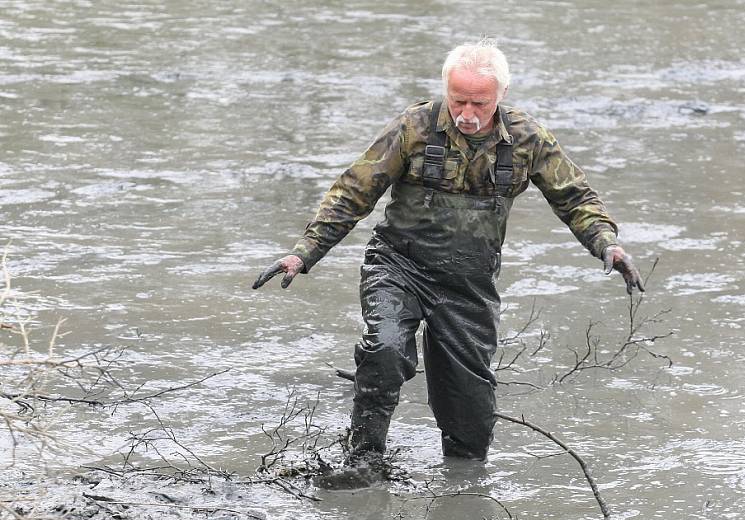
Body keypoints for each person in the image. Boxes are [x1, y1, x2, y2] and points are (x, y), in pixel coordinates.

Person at [253, 38, 644, 463]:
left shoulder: (528, 140)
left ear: (502, 96)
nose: (468, 115)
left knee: (470, 421)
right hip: (398, 266)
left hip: (468, 283)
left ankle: (462, 498)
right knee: (384, 351)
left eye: (481, 103)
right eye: (459, 101)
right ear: (446, 91)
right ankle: (363, 462)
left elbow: (575, 198)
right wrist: (304, 252)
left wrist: (606, 243)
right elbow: (353, 192)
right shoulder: (413, 128)